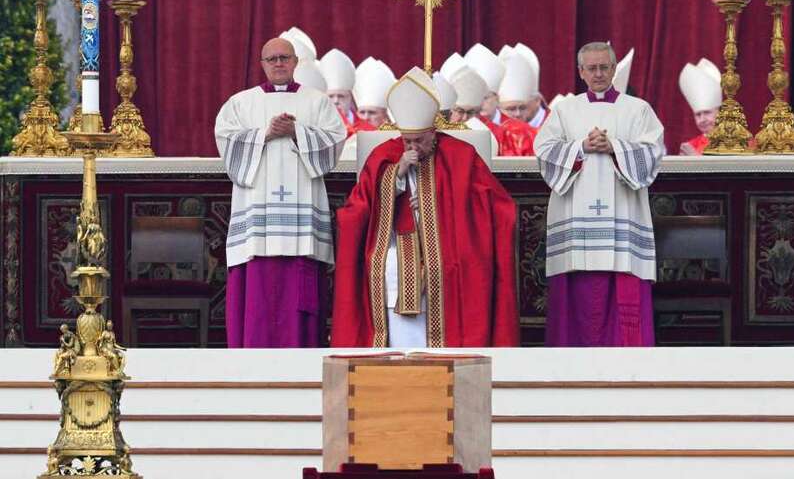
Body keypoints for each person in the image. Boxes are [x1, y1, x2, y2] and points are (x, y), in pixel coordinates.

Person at [332, 66, 519, 348]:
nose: (413, 147)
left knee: (448, 267)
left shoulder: (461, 155)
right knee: (391, 265)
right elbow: (355, 212)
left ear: (433, 132)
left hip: (450, 243)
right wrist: (394, 179)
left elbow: (498, 209)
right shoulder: (384, 156)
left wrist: (442, 205)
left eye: (419, 140)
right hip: (394, 244)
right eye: (407, 140)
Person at [215, 37, 346, 348]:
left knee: (298, 289)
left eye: (284, 57)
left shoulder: (317, 102)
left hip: (301, 228)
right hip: (257, 229)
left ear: (295, 62)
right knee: (257, 290)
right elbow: (226, 140)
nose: (278, 63)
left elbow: (334, 141)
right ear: (262, 64)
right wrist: (265, 134)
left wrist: (297, 132)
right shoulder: (241, 103)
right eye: (271, 59)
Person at [533, 42, 665, 347]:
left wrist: (615, 147)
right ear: (580, 72)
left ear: (614, 69)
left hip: (623, 218)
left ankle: (629, 365)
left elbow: (652, 154)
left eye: (604, 67)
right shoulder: (565, 110)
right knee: (576, 294)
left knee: (624, 286)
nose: (598, 74)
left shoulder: (638, 109)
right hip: (576, 218)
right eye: (591, 68)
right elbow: (544, 152)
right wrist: (581, 147)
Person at [678, 59, 722, 155]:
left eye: (707, 112)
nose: (702, 120)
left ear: (720, 112)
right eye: (698, 115)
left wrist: (695, 159)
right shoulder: (691, 146)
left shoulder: (738, 142)